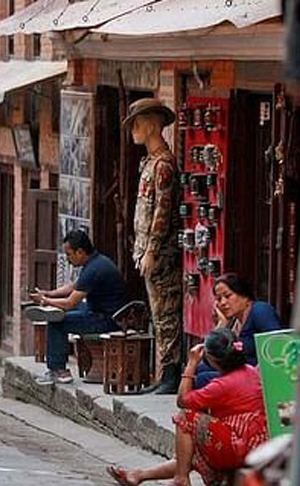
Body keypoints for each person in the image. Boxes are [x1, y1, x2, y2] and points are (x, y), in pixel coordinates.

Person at [105, 328, 268, 486]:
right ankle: (139, 475)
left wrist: (191, 364)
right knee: (187, 454)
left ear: (211, 359)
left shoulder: (222, 385)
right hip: (253, 442)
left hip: (240, 445)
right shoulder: (249, 370)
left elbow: (182, 401)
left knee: (186, 418)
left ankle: (181, 481)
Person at [125, 97, 183, 394]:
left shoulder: (164, 165)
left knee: (166, 311)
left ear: (151, 124)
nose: (133, 130)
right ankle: (165, 371)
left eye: (136, 123)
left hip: (161, 254)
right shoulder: (149, 162)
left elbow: (162, 211)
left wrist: (151, 249)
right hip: (148, 250)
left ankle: (172, 373)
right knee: (157, 312)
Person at [26, 230, 127, 385]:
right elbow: (73, 288)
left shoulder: (94, 269)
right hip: (99, 311)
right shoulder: (96, 262)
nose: (67, 259)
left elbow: (70, 303)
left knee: (57, 322)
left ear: (80, 252)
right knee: (64, 311)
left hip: (108, 319)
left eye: (69, 254)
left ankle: (58, 370)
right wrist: (49, 294)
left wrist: (46, 301)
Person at [195, 273, 282, 388]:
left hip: (259, 377)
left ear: (244, 295)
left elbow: (277, 345)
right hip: (240, 373)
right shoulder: (234, 321)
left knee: (202, 379)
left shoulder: (260, 311)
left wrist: (255, 375)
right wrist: (222, 323)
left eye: (228, 296)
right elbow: (210, 356)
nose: (223, 303)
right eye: (219, 299)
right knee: (200, 369)